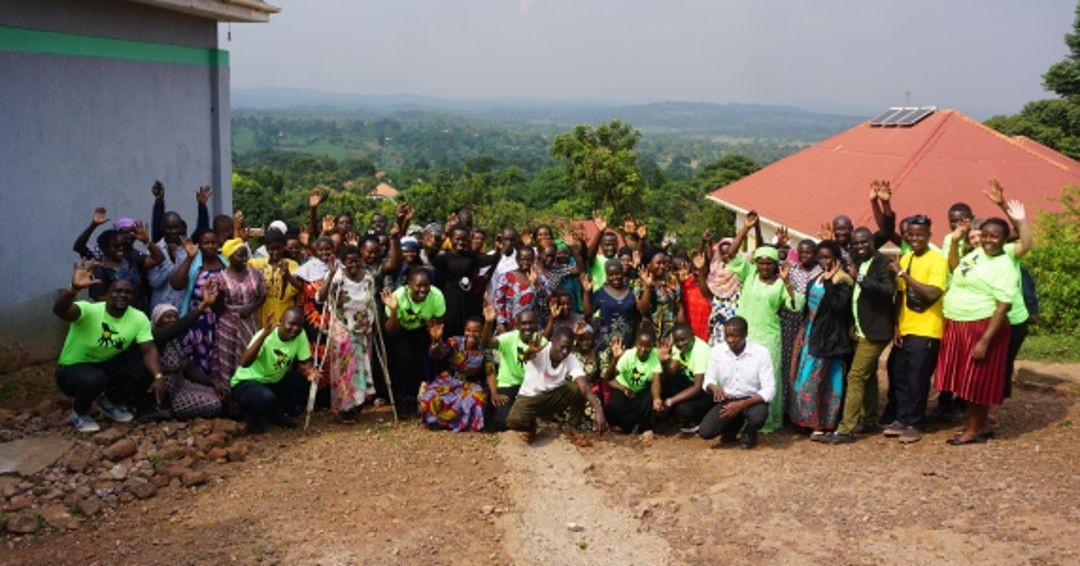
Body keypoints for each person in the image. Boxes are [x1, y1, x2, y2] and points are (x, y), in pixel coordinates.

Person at [53, 263, 165, 433]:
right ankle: (79, 413)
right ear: (107, 294)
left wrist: (158, 377)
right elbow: (60, 311)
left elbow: (149, 349)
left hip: (105, 365)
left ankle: (109, 402)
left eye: (128, 292)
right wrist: (73, 289)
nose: (123, 295)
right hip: (72, 369)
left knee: (142, 369)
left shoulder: (138, 317)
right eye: (118, 291)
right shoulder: (89, 310)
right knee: (94, 379)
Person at [937, 216, 1018, 445]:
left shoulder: (1004, 265)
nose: (988, 240)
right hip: (960, 322)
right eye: (985, 235)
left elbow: (1003, 306)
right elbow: (954, 267)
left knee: (976, 380)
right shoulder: (976, 254)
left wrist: (984, 341)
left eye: (995, 236)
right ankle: (978, 424)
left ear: (1004, 239)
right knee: (966, 378)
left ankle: (973, 430)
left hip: (981, 326)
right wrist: (954, 243)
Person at [725, 213, 799, 433]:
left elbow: (794, 305)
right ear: (756, 263)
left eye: (769, 263)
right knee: (742, 376)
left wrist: (788, 284)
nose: (764, 266)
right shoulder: (749, 275)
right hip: (744, 337)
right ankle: (740, 418)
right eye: (761, 262)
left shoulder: (780, 283)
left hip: (769, 337)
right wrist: (746, 229)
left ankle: (767, 420)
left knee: (767, 378)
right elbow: (730, 254)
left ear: (776, 264)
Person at [824, 228, 896, 444]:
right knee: (868, 375)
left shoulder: (882, 262)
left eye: (864, 242)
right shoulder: (854, 259)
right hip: (861, 328)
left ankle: (846, 429)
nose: (860, 246)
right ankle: (870, 418)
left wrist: (860, 278)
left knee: (855, 376)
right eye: (856, 243)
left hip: (877, 330)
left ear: (872, 241)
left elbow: (887, 290)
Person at [880, 215, 948, 443]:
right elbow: (900, 294)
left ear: (929, 235)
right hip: (906, 328)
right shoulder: (906, 257)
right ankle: (901, 418)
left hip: (927, 329)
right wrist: (897, 325)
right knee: (897, 373)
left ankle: (915, 423)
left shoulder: (937, 260)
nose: (915, 238)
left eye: (920, 234)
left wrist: (903, 274)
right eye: (911, 234)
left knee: (917, 378)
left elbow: (932, 292)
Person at [790, 240, 852, 438]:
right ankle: (804, 420)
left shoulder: (843, 281)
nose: (824, 261)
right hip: (810, 334)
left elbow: (839, 308)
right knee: (804, 378)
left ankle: (822, 422)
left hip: (829, 339)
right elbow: (808, 308)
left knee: (821, 380)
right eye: (821, 257)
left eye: (828, 257)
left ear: (836, 258)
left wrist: (830, 281)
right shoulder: (815, 278)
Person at [507, 327, 608, 441]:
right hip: (531, 397)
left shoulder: (571, 359)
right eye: (562, 347)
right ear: (553, 341)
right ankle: (531, 428)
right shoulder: (540, 350)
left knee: (578, 388)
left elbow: (584, 387)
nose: (565, 351)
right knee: (513, 421)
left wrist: (599, 411)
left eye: (568, 348)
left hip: (554, 398)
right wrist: (530, 352)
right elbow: (528, 357)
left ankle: (572, 427)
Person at [231, 309, 319, 434]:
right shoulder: (266, 335)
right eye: (291, 324)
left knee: (302, 383)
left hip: (272, 381)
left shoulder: (300, 335)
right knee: (265, 397)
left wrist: (310, 372)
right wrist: (263, 336)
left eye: (299, 325)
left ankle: (275, 412)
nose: (295, 329)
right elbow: (244, 363)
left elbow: (305, 362)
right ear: (280, 322)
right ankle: (251, 417)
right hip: (247, 382)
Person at [320, 245, 379, 420]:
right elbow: (320, 297)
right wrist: (329, 277)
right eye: (349, 261)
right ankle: (345, 407)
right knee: (345, 369)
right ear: (343, 262)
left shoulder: (368, 278)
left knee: (360, 368)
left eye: (356, 260)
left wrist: (372, 325)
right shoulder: (337, 277)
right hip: (342, 329)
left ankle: (358, 403)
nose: (353, 264)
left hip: (362, 329)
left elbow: (371, 303)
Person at [698, 317, 775, 449]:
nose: (730, 340)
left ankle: (749, 433)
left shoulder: (761, 353)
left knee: (758, 416)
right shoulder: (717, 351)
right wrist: (714, 387)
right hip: (729, 400)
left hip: (752, 400)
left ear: (745, 334)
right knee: (706, 432)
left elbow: (769, 389)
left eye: (735, 336)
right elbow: (708, 379)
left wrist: (742, 404)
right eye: (727, 336)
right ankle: (733, 425)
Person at [150, 292, 228, 420]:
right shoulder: (155, 337)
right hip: (168, 396)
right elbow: (178, 327)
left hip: (181, 385)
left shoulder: (174, 341)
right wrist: (202, 306)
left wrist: (213, 382)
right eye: (167, 317)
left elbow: (188, 367)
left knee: (218, 394)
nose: (172, 320)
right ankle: (165, 413)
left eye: (175, 317)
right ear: (157, 320)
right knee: (214, 404)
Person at [383, 268, 446, 416]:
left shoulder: (436, 296)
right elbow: (391, 331)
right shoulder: (397, 296)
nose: (423, 290)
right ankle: (399, 399)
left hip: (423, 329)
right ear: (409, 285)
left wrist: (436, 340)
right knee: (404, 359)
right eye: (418, 286)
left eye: (426, 286)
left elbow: (438, 324)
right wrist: (394, 310)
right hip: (400, 330)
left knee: (420, 361)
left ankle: (414, 398)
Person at [209, 238, 266, 392]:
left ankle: (249, 397)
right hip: (228, 325)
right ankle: (229, 400)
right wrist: (220, 294)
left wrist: (251, 308)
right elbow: (216, 308)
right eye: (240, 256)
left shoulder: (256, 274)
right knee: (227, 360)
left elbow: (262, 296)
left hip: (251, 323)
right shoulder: (219, 278)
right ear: (229, 257)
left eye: (246, 255)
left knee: (250, 360)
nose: (245, 259)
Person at [418, 316, 492, 431]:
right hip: (450, 381)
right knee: (429, 397)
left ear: (482, 332)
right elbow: (436, 354)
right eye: (468, 330)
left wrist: (494, 393)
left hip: (471, 384)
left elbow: (490, 373)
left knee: (476, 399)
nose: (471, 334)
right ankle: (436, 422)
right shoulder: (456, 341)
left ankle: (461, 424)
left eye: (475, 331)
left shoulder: (486, 349)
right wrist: (437, 341)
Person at [172, 229, 226, 375]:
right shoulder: (195, 263)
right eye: (206, 243)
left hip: (221, 317)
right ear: (200, 245)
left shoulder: (225, 263)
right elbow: (176, 284)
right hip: (198, 316)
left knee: (220, 353)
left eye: (213, 242)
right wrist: (189, 259)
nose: (210, 246)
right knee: (197, 354)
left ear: (218, 244)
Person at [430, 224, 498, 338]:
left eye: (464, 239)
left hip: (468, 305)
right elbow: (429, 260)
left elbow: (492, 260)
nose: (461, 242)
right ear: (450, 239)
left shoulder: (472, 257)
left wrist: (499, 249)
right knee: (450, 338)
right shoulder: (443, 258)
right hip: (449, 306)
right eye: (457, 239)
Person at [481, 307, 543, 431]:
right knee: (502, 422)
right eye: (524, 323)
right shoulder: (509, 338)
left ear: (536, 324)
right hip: (508, 385)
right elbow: (486, 344)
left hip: (531, 387)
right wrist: (488, 323)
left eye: (530, 323)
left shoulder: (540, 340)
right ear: (517, 325)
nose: (527, 327)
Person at [779, 239, 821, 402]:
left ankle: (800, 403)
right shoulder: (791, 268)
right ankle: (785, 403)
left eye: (808, 252)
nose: (804, 256)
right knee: (787, 359)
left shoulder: (820, 271)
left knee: (803, 361)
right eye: (801, 252)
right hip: (789, 318)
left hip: (810, 318)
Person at [603, 327, 664, 434]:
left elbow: (656, 381)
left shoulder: (655, 356)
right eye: (641, 345)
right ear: (636, 344)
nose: (644, 349)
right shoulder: (627, 355)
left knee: (649, 400)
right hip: (622, 388)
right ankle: (625, 427)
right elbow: (609, 379)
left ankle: (642, 427)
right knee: (613, 406)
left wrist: (657, 398)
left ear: (652, 346)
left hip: (640, 391)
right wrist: (623, 389)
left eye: (648, 346)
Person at [583, 259, 639, 366]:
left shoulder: (632, 290)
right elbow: (588, 313)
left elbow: (638, 317)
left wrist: (635, 343)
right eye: (611, 275)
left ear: (622, 272)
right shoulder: (601, 293)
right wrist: (586, 293)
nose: (615, 277)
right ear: (606, 275)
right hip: (605, 345)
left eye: (618, 273)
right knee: (606, 377)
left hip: (627, 345)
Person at [660, 323, 714, 433]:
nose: (680, 344)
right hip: (690, 383)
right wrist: (665, 362)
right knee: (664, 380)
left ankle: (700, 419)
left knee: (683, 409)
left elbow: (697, 387)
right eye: (677, 341)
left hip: (707, 391)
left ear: (692, 336)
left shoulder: (701, 351)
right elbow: (672, 372)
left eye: (683, 340)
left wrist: (670, 401)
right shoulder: (676, 346)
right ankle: (671, 416)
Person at [248, 230, 301, 328]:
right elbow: (236, 259)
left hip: (284, 312)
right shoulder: (256, 264)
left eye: (279, 248)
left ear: (284, 246)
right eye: (272, 249)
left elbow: (298, 287)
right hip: (263, 314)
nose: (275, 252)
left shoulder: (292, 265)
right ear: (266, 248)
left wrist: (287, 274)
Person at [633, 249, 683, 339]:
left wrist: (682, 330)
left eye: (664, 263)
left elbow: (679, 307)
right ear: (648, 264)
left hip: (670, 334)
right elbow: (643, 310)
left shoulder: (672, 280)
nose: (662, 266)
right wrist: (647, 287)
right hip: (648, 336)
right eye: (658, 263)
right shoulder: (638, 283)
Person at [704, 237, 742, 345]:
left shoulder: (741, 272)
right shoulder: (715, 274)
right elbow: (707, 293)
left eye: (730, 252)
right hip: (718, 329)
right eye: (723, 253)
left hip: (737, 327)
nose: (727, 256)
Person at [494, 245, 538, 332]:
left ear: (533, 260)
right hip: (509, 327)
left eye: (529, 260)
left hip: (531, 327)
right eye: (522, 259)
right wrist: (501, 325)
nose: (526, 262)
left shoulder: (538, 278)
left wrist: (536, 284)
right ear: (517, 260)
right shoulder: (507, 277)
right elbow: (499, 303)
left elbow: (544, 304)